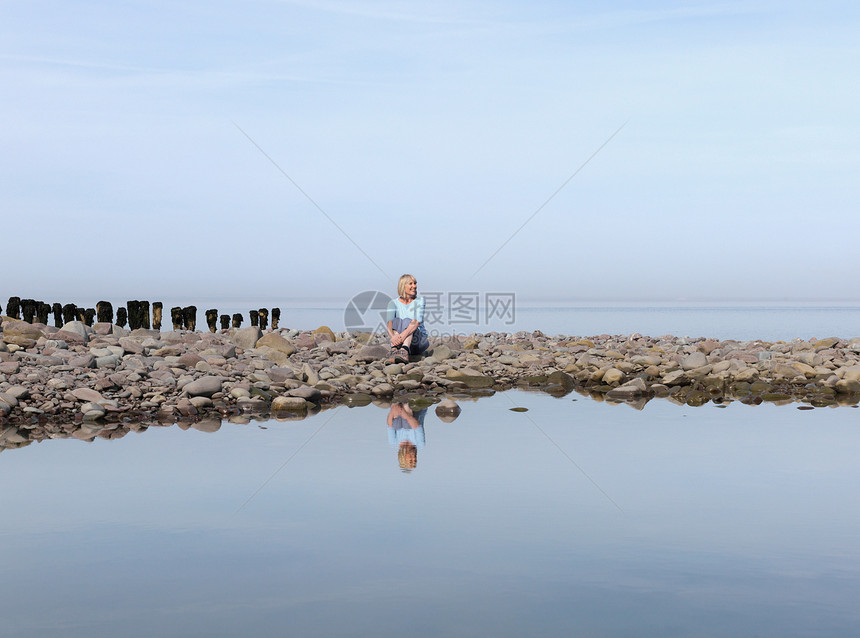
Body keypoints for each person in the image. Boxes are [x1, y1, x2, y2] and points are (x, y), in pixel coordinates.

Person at [385, 273, 429, 364]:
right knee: (396, 321)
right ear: (403, 286)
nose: (414, 286)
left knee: (408, 321)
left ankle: (404, 351)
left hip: (417, 341)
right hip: (398, 341)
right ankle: (394, 351)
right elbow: (389, 324)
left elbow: (416, 322)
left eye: (415, 283)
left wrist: (401, 337)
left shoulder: (419, 301)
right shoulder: (393, 303)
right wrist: (393, 337)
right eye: (411, 283)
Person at [386, 402, 427, 472]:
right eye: (415, 460)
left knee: (395, 425)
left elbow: (389, 425)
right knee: (408, 425)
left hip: (398, 412)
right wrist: (403, 411)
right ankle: (405, 402)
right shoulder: (420, 444)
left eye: (411, 460)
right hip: (416, 409)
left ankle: (396, 402)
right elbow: (417, 426)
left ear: (403, 458)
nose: (414, 458)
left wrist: (393, 410)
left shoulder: (394, 443)